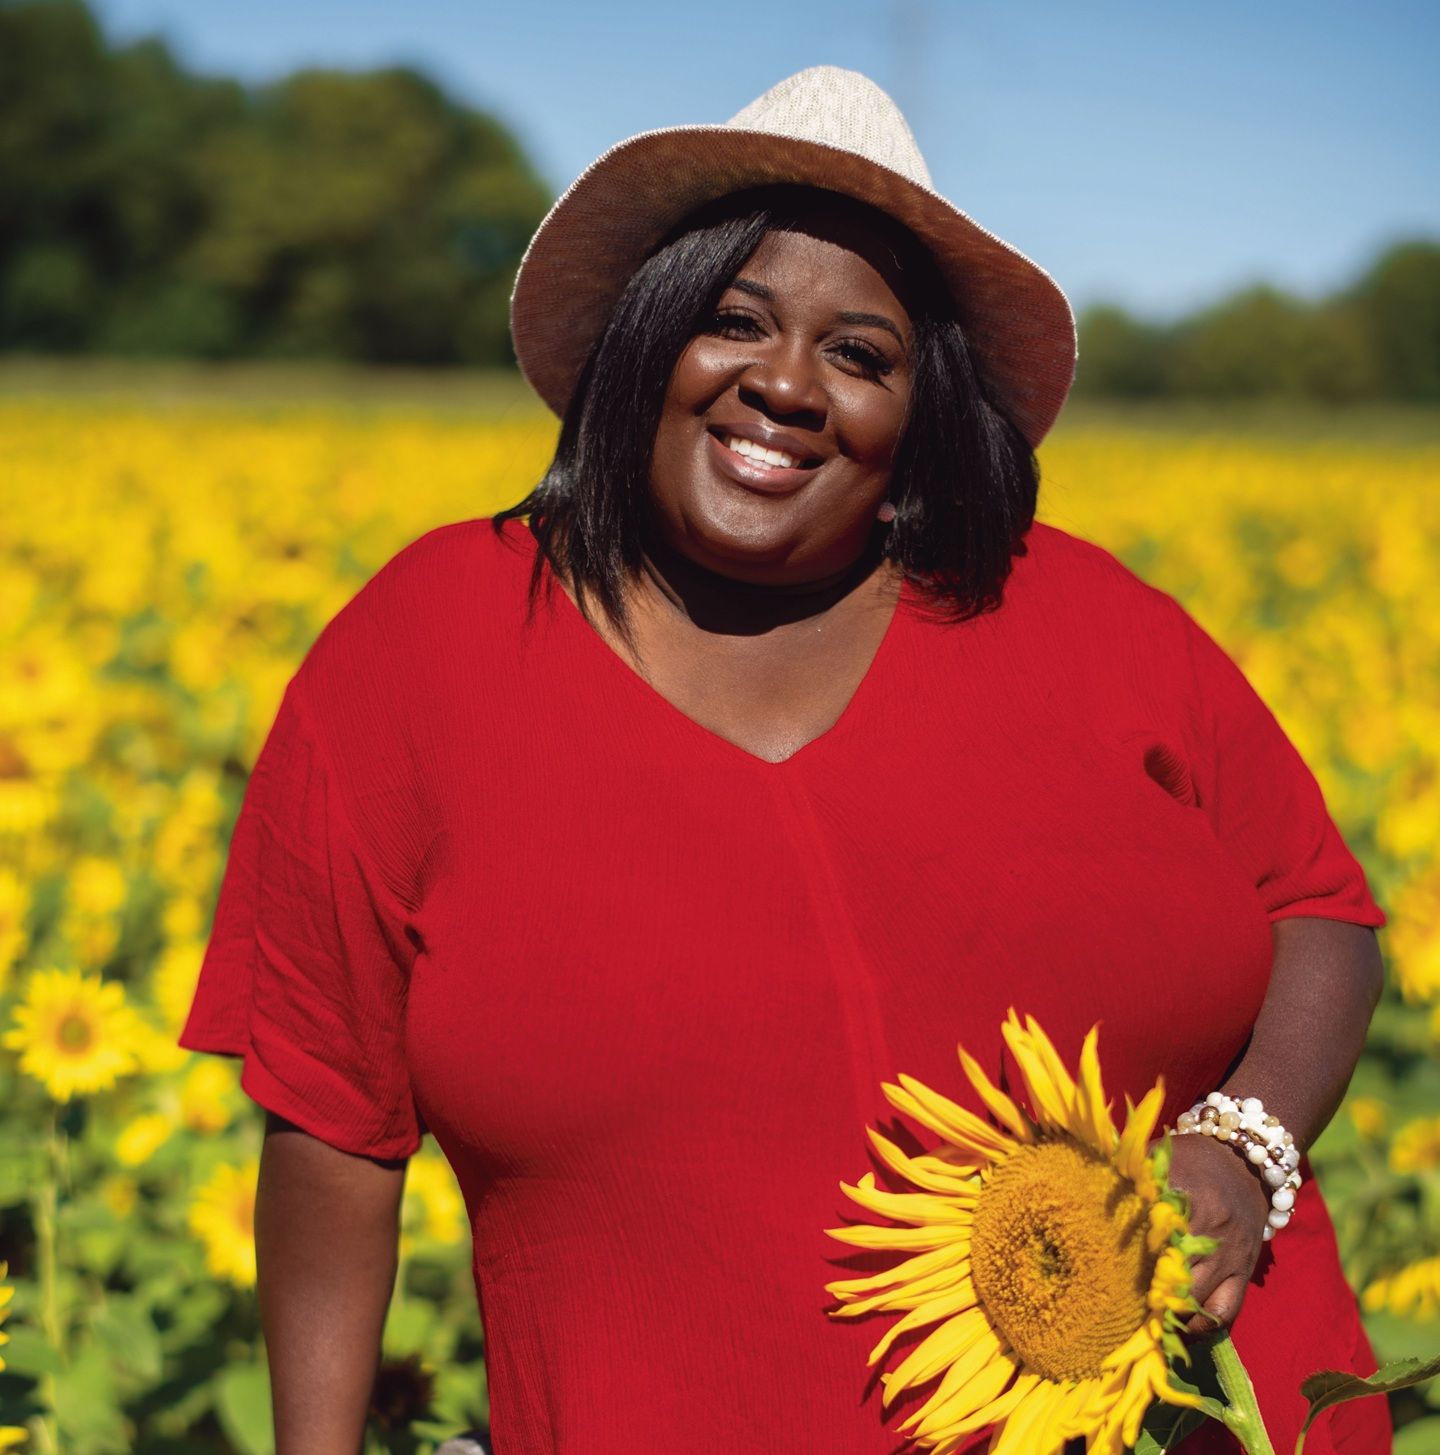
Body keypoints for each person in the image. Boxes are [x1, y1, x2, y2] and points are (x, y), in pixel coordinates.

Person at [178, 66, 1390, 1455]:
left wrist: (1245, 1143)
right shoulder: (423, 653)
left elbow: (1318, 908)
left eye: (862, 356)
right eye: (732, 321)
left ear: (922, 410)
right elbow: (330, 1121)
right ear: (645, 339)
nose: (786, 386)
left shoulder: (1087, 621)